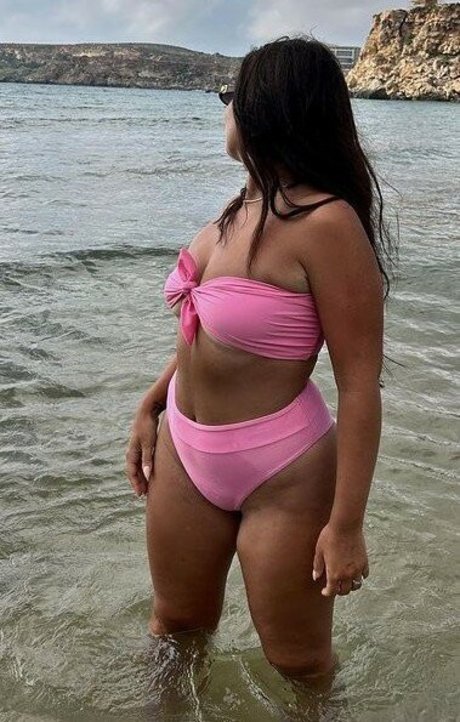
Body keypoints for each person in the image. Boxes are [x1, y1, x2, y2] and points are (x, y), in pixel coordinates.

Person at [125, 35, 395, 684]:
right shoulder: (237, 209)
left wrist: (347, 525)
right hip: (184, 448)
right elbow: (205, 336)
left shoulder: (326, 224)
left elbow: (360, 385)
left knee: (298, 664)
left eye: (231, 96)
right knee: (175, 627)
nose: (224, 109)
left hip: (282, 470)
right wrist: (151, 404)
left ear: (269, 109)